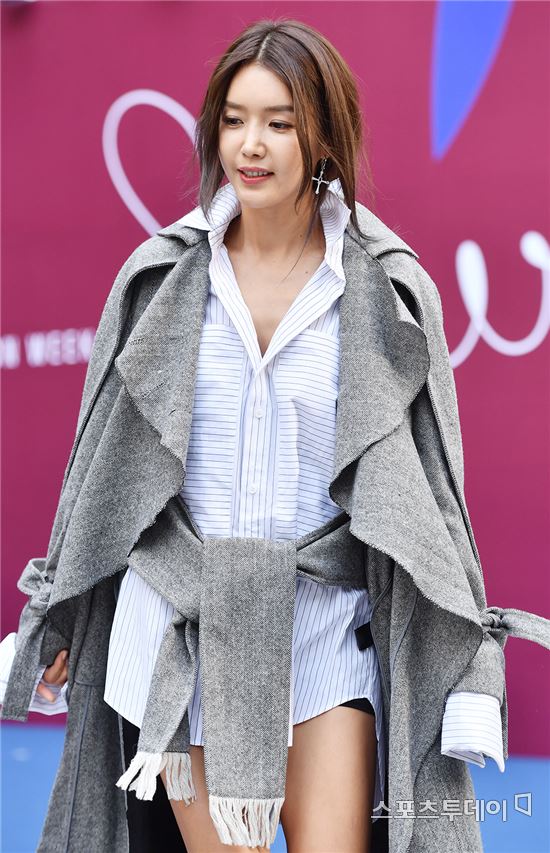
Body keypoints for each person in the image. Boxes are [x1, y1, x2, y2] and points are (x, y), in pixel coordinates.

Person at [2, 16, 550, 853]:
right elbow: (99, 471)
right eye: (233, 120)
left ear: (322, 136)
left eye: (278, 122)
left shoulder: (385, 289)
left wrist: (470, 656)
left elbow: (436, 492)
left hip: (325, 627)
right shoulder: (160, 278)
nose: (250, 144)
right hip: (183, 628)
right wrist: (59, 613)